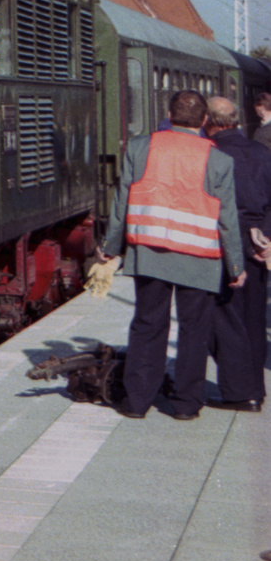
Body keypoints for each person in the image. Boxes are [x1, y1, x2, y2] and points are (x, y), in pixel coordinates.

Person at [98, 89, 245, 419]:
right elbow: (228, 219)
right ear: (205, 121)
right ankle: (186, 405)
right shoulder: (219, 160)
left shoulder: (141, 147)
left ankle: (137, 402)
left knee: (148, 325)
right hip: (200, 259)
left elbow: (121, 202)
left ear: (169, 114)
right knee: (195, 331)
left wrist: (109, 247)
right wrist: (235, 265)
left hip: (150, 251)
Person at [203, 96, 270, 412]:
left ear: (209, 122)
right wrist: (267, 239)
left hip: (224, 239)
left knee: (225, 316)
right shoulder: (262, 152)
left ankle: (240, 392)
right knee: (254, 317)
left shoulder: (212, 155)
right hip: (258, 243)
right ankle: (257, 387)